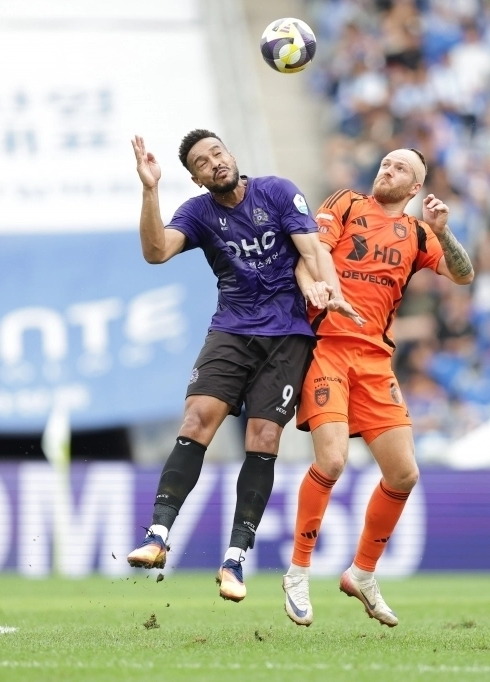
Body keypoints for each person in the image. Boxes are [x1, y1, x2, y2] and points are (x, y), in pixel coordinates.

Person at [125, 130, 362, 602]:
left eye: (217, 152)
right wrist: (150, 190)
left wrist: (329, 290)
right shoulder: (198, 212)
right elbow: (155, 252)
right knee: (196, 421)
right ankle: (157, 536)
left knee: (264, 437)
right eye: (201, 162)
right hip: (232, 329)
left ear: (231, 155)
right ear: (196, 178)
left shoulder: (277, 191)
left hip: (287, 334)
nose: (213, 162)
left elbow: (313, 250)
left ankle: (233, 561)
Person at [281, 149, 475, 627]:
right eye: (386, 163)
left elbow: (464, 274)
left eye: (400, 168)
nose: (388, 169)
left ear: (416, 188)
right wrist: (316, 288)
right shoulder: (346, 203)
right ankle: (298, 571)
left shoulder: (418, 233)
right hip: (327, 347)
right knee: (332, 460)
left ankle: (362, 573)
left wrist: (444, 230)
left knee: (404, 474)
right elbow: (311, 254)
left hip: (375, 361)